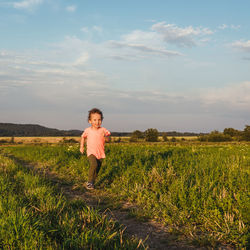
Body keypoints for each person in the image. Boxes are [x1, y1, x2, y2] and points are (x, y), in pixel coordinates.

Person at [80, 108, 111, 190]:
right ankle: (89, 182)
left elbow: (108, 137)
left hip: (100, 152)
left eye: (99, 120)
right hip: (91, 152)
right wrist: (81, 147)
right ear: (90, 121)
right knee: (94, 164)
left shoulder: (103, 130)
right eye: (94, 120)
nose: (97, 122)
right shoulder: (88, 130)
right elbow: (83, 137)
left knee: (98, 167)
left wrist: (107, 138)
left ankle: (92, 181)